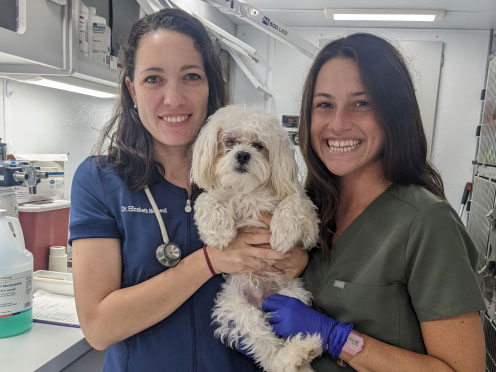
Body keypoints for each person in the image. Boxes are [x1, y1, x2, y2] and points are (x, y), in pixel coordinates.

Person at [69, 8, 307, 372]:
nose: (174, 98)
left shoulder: (256, 179)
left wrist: (297, 260)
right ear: (132, 89)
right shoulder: (100, 181)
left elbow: (302, 248)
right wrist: (208, 262)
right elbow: (99, 328)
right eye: (153, 79)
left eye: (191, 76)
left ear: (211, 85)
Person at [261, 33, 486, 371]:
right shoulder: (307, 210)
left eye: (361, 103)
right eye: (324, 104)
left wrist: (338, 337)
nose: (338, 124)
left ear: (394, 113)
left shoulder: (427, 223)